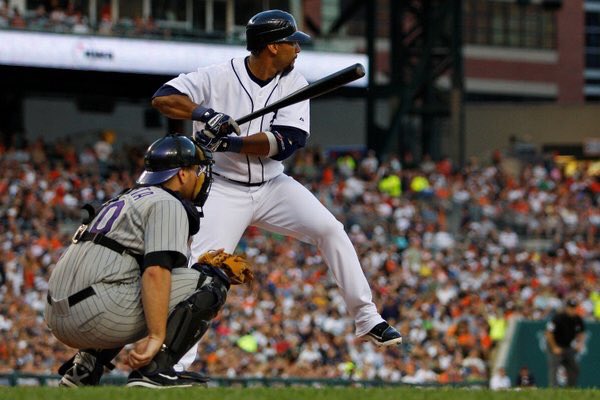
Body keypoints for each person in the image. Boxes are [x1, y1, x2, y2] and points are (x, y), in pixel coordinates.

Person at [151, 9, 401, 369]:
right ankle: (174, 363)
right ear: (271, 47)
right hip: (223, 189)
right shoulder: (219, 75)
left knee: (330, 230)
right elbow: (163, 97)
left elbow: (287, 141)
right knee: (201, 275)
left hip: (272, 185)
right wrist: (206, 115)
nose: (298, 49)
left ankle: (367, 318)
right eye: (292, 43)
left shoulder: (295, 82)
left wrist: (231, 144)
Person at [44, 134, 244, 388]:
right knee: (211, 280)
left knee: (126, 280)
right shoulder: (167, 201)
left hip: (56, 313)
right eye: (196, 170)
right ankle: (155, 371)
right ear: (182, 174)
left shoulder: (123, 198)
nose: (200, 176)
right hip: (94, 313)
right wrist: (156, 336)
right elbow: (156, 273)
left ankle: (84, 368)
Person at [545, 298, 585, 387]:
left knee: (574, 368)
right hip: (555, 345)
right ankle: (553, 388)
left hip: (567, 346)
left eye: (574, 308)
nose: (572, 310)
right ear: (566, 308)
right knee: (554, 366)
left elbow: (582, 332)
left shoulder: (577, 318)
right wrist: (554, 347)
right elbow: (548, 333)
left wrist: (579, 343)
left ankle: (570, 388)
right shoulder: (558, 318)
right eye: (571, 308)